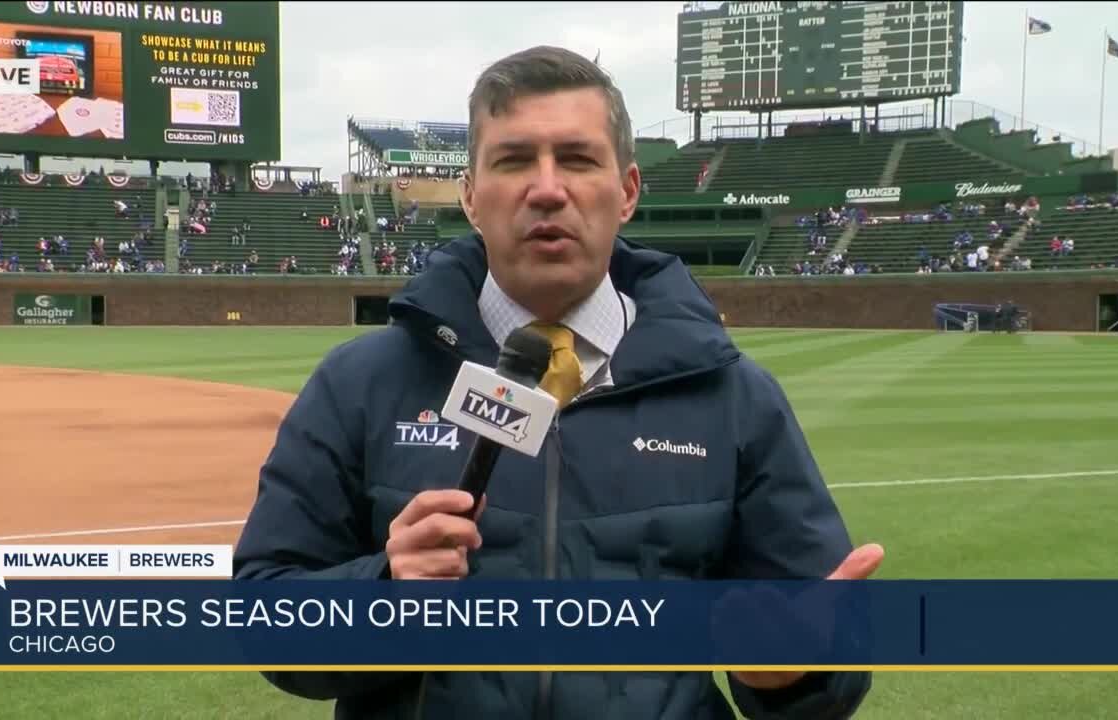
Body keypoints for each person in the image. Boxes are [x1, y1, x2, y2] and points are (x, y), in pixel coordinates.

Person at [233, 45, 880, 719]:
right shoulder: (360, 382)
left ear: (627, 191)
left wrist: (794, 674)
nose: (547, 188)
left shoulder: (733, 397)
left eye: (577, 158)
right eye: (514, 160)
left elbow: (829, 643)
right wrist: (386, 591)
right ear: (471, 196)